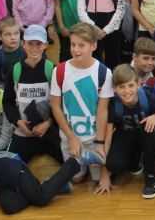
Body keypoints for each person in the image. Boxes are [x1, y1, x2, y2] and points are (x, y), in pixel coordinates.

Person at [50, 22, 113, 191]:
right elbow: (55, 107)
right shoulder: (59, 71)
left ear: (93, 46)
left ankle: (93, 163)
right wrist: (71, 137)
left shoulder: (103, 73)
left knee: (97, 178)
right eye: (73, 45)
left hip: (93, 138)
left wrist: (99, 143)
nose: (76, 50)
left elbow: (103, 110)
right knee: (76, 178)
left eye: (81, 45)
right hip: (71, 138)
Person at [103, 64, 155, 198]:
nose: (127, 91)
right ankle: (134, 163)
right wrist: (105, 173)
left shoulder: (148, 97)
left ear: (138, 84)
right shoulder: (114, 104)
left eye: (130, 85)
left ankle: (151, 178)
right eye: (121, 87)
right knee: (113, 164)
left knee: (149, 127)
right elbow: (108, 137)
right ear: (114, 89)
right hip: (126, 137)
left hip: (147, 137)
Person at [3, 27, 62, 164]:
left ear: (45, 45)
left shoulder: (52, 70)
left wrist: (48, 123)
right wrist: (18, 122)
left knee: (72, 166)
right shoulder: (15, 70)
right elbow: (7, 101)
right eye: (30, 43)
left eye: (38, 44)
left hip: (48, 131)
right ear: (23, 44)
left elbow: (60, 103)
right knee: (9, 166)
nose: (34, 48)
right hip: (23, 132)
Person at [0, 18, 26, 86]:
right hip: (3, 87)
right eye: (8, 34)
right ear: (0, 37)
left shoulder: (26, 50)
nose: (13, 37)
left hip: (24, 86)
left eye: (16, 33)